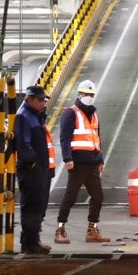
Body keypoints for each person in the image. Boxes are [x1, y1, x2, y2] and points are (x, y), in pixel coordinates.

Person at [55, 79, 111, 244]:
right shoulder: (70, 113)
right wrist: (67, 158)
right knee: (70, 197)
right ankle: (60, 229)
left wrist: (100, 160)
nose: (89, 97)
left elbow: (96, 139)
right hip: (77, 163)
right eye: (86, 94)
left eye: (91, 94)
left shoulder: (94, 115)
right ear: (79, 94)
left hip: (92, 163)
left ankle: (92, 230)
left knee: (98, 196)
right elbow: (65, 138)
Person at [15, 84, 54, 255]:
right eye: (39, 100)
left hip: (40, 170)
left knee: (39, 205)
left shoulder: (36, 117)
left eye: (44, 100)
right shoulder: (24, 117)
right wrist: (33, 163)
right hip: (32, 171)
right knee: (31, 205)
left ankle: (33, 240)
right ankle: (29, 242)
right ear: (29, 99)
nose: (43, 103)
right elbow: (23, 144)